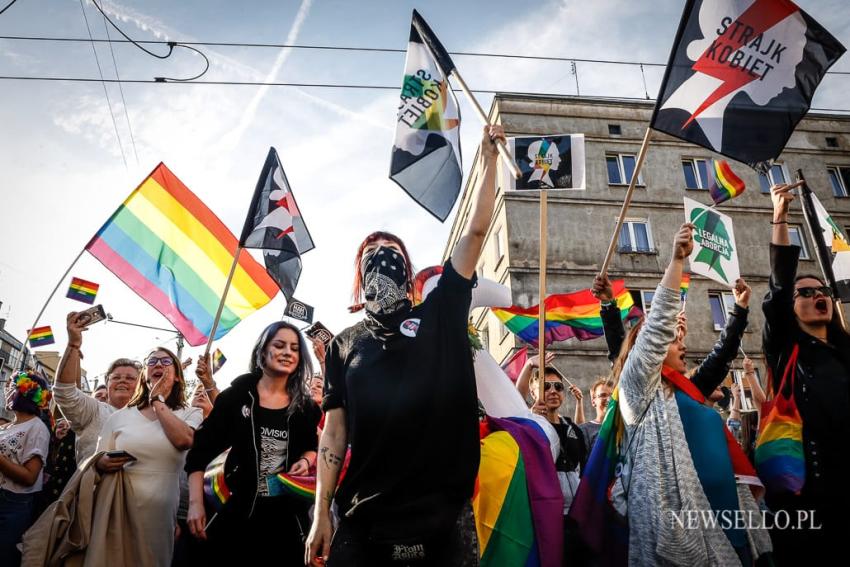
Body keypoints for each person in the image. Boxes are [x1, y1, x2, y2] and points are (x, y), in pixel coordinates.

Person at [306, 125, 506, 567]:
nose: (382, 255)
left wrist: (489, 162)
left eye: (391, 249)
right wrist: (321, 512)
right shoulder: (344, 345)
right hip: (363, 521)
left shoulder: (441, 312)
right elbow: (334, 433)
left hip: (442, 523)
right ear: (360, 278)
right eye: (371, 252)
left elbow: (474, 235)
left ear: (408, 268)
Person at [612, 224, 768, 566]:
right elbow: (654, 333)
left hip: (733, 523)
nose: (682, 344)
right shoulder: (638, 393)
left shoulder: (688, 390)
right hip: (683, 537)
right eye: (673, 340)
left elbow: (720, 357)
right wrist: (676, 262)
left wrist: (739, 312)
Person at [762, 182, 850, 562]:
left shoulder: (845, 350)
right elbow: (780, 287)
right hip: (811, 493)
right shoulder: (787, 348)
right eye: (807, 292)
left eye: (824, 292)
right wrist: (780, 217)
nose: (819, 296)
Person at [185, 321, 321, 564]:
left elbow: (311, 446)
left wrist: (304, 459)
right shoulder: (236, 396)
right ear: (262, 351)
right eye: (278, 345)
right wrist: (196, 504)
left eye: (294, 348)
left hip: (285, 522)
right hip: (233, 517)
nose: (287, 352)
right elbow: (199, 453)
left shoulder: (305, 406)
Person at [93, 347, 201, 567]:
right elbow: (96, 462)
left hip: (160, 519)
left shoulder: (190, 413)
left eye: (165, 361)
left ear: (178, 375)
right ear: (145, 374)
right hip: (118, 509)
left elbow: (184, 441)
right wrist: (102, 462)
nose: (158, 365)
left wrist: (157, 401)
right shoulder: (120, 417)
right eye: (152, 361)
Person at [54, 311, 141, 464]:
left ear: (141, 384)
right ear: (107, 384)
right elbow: (64, 392)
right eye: (116, 377)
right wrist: (73, 344)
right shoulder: (94, 410)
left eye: (130, 378)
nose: (122, 381)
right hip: (96, 487)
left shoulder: (152, 416)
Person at [0, 372, 51, 567]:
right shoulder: (8, 426)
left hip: (12, 505)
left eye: (9, 386)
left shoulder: (37, 428)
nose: (6, 391)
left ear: (20, 391)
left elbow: (30, 477)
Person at [578, 378, 613, 451]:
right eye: (603, 395)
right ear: (593, 401)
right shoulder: (584, 430)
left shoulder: (623, 429)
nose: (608, 399)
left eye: (612, 396)